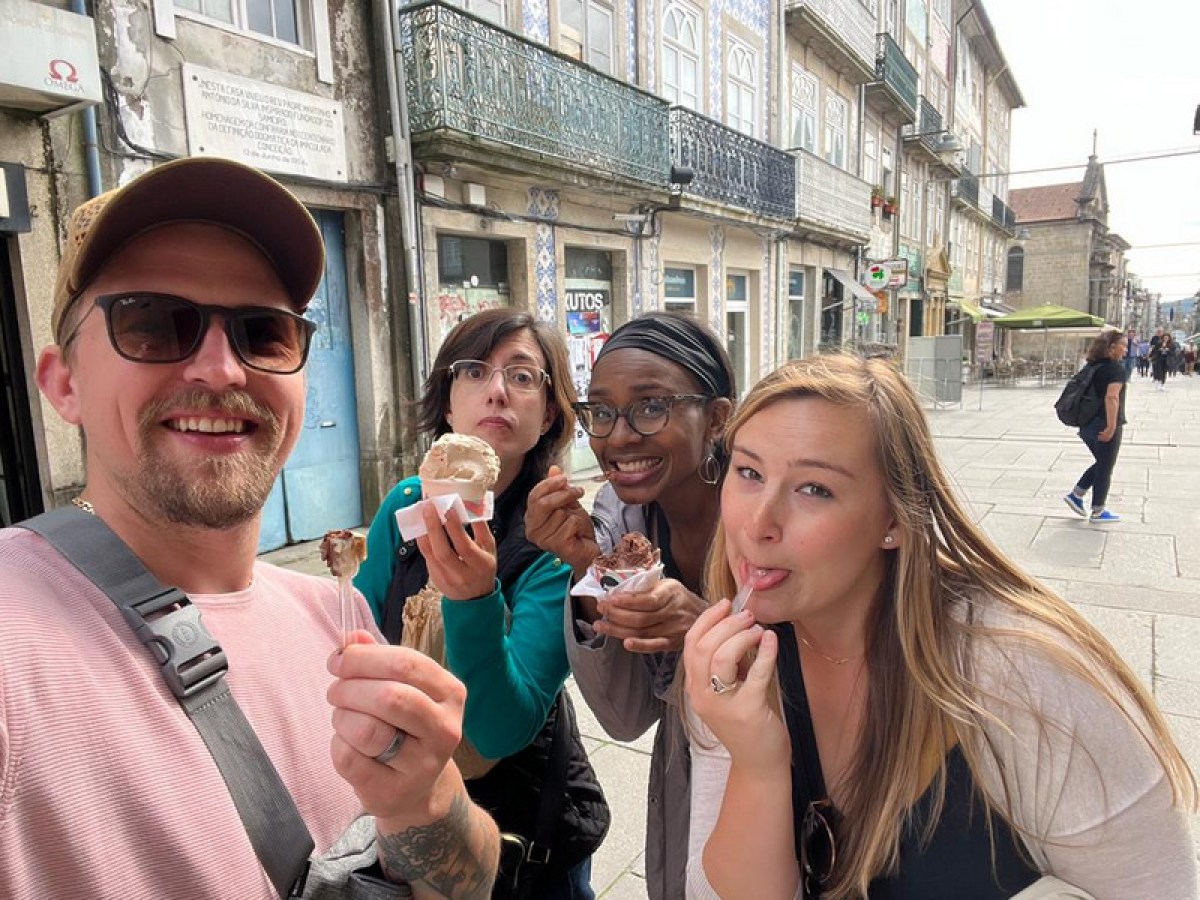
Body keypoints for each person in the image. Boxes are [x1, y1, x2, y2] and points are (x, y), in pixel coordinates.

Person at [1, 157, 499, 898]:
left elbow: (470, 878)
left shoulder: (336, 616)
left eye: (261, 332)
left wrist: (421, 800)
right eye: (153, 322)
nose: (222, 369)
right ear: (63, 384)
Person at [682, 353, 1197, 899]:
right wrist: (757, 765)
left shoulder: (1021, 674)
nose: (757, 523)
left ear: (894, 521)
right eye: (749, 472)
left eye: (815, 489)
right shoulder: (732, 664)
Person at [354, 307, 606, 899]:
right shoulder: (407, 505)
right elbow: (358, 632)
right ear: (447, 402)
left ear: (548, 413)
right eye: (474, 372)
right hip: (414, 826)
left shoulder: (557, 534)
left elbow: (499, 731)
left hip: (528, 843)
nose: (496, 391)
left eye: (522, 376)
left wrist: (472, 599)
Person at [525, 311, 736, 900]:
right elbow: (625, 716)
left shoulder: (767, 521)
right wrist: (586, 568)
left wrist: (708, 631)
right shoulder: (621, 523)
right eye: (601, 410)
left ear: (717, 417)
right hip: (684, 790)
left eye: (650, 406)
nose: (617, 436)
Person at [1063, 330, 1129, 524]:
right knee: (1105, 465)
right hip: (1104, 422)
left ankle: (1077, 495)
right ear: (1111, 348)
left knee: (1102, 463)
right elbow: (1111, 397)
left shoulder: (1092, 366)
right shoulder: (1115, 369)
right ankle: (1098, 510)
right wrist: (1111, 426)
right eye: (1123, 345)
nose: (1125, 349)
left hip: (1086, 424)